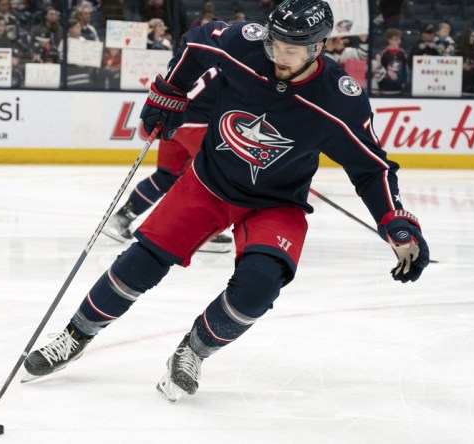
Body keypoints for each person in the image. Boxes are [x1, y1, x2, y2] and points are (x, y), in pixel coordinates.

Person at [21, 0, 430, 402]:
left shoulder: (340, 99)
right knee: (142, 260)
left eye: (292, 50)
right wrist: (170, 93)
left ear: (319, 47)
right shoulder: (247, 42)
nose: (279, 57)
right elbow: (197, 43)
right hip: (209, 181)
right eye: (275, 45)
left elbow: (371, 168)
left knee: (259, 287)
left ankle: (193, 351)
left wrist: (393, 220)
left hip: (276, 203)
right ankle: (75, 335)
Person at [101, 73, 233, 253]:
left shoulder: (204, 59)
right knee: (214, 179)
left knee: (166, 176)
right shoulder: (234, 63)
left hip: (174, 121)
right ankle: (201, 232)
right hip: (199, 126)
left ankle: (121, 218)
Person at [375, 27, 409, 96]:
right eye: (395, 39)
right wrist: (387, 73)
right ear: (389, 40)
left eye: (399, 39)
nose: (398, 41)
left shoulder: (403, 53)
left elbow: (406, 70)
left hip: (399, 89)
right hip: (385, 88)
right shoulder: (382, 54)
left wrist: (404, 82)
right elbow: (378, 71)